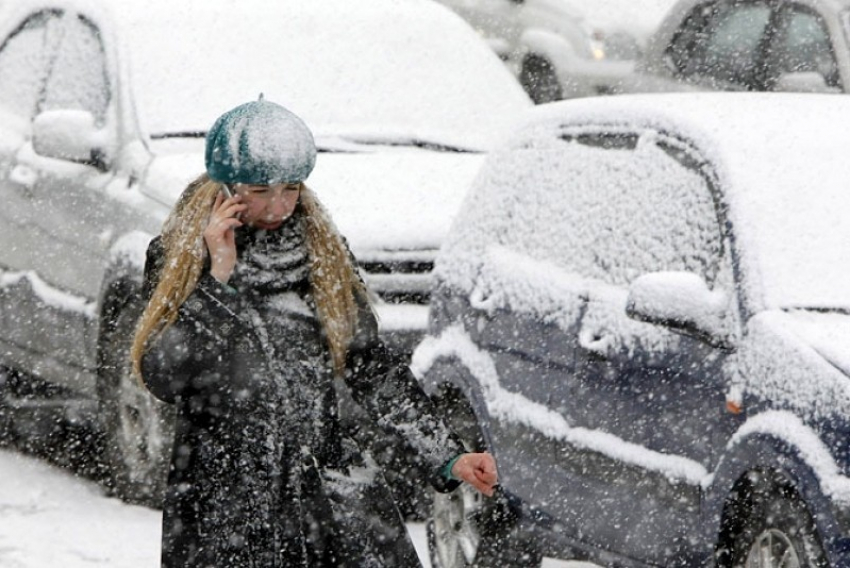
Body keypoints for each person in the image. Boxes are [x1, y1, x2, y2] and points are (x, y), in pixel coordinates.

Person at [130, 98, 498, 567]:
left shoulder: (320, 254)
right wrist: (217, 281)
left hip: (326, 496)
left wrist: (447, 456)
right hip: (225, 503)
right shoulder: (180, 257)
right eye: (262, 189)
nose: (279, 204)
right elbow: (164, 375)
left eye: (291, 188)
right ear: (226, 183)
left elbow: (371, 368)